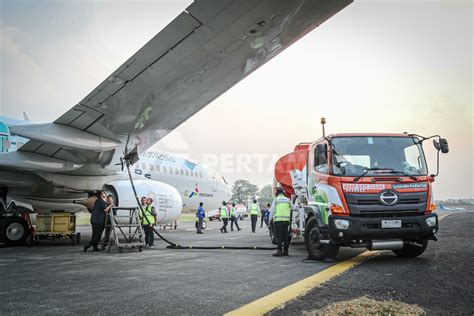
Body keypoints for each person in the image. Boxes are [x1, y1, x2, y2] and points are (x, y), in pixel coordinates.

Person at [271, 187, 291, 257]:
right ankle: (286, 251)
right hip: (286, 221)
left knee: (279, 236)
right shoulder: (288, 200)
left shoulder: (276, 200)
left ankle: (279, 251)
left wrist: (269, 220)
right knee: (285, 236)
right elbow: (294, 208)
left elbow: (272, 211)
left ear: (277, 193)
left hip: (278, 221)